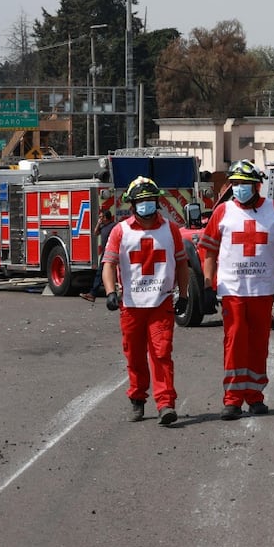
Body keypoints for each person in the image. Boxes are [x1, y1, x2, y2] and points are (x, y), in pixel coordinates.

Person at [199, 159, 274, 421]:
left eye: (244, 184)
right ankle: (232, 400)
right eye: (235, 184)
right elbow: (208, 249)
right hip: (232, 291)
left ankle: (255, 397)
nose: (239, 188)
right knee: (234, 343)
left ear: (256, 186)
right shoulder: (222, 212)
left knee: (258, 344)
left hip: (263, 290)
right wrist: (208, 284)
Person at [102, 177, 189, 425]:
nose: (146, 205)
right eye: (140, 201)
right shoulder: (121, 231)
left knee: (162, 354)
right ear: (132, 204)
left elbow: (181, 264)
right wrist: (110, 292)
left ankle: (165, 404)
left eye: (149, 200)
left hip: (161, 304)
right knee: (135, 356)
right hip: (131, 306)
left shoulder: (170, 230)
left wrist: (183, 295)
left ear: (156, 201)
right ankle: (137, 399)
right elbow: (109, 264)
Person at [80, 209, 117, 302]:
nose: (100, 219)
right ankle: (92, 294)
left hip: (114, 252)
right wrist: (98, 224)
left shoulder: (114, 226)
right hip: (106, 253)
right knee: (99, 274)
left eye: (101, 217)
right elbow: (95, 233)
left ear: (105, 217)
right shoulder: (103, 226)